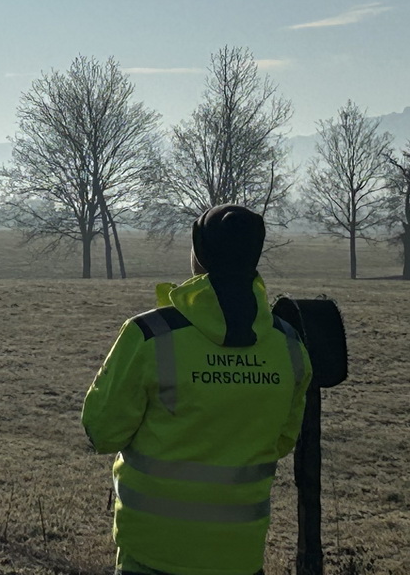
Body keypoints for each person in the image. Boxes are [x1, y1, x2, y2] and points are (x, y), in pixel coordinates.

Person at [81, 204, 310, 575]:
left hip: (150, 553)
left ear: (198, 254)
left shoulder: (150, 335)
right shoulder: (288, 344)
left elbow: (102, 432)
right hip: (240, 556)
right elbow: (283, 441)